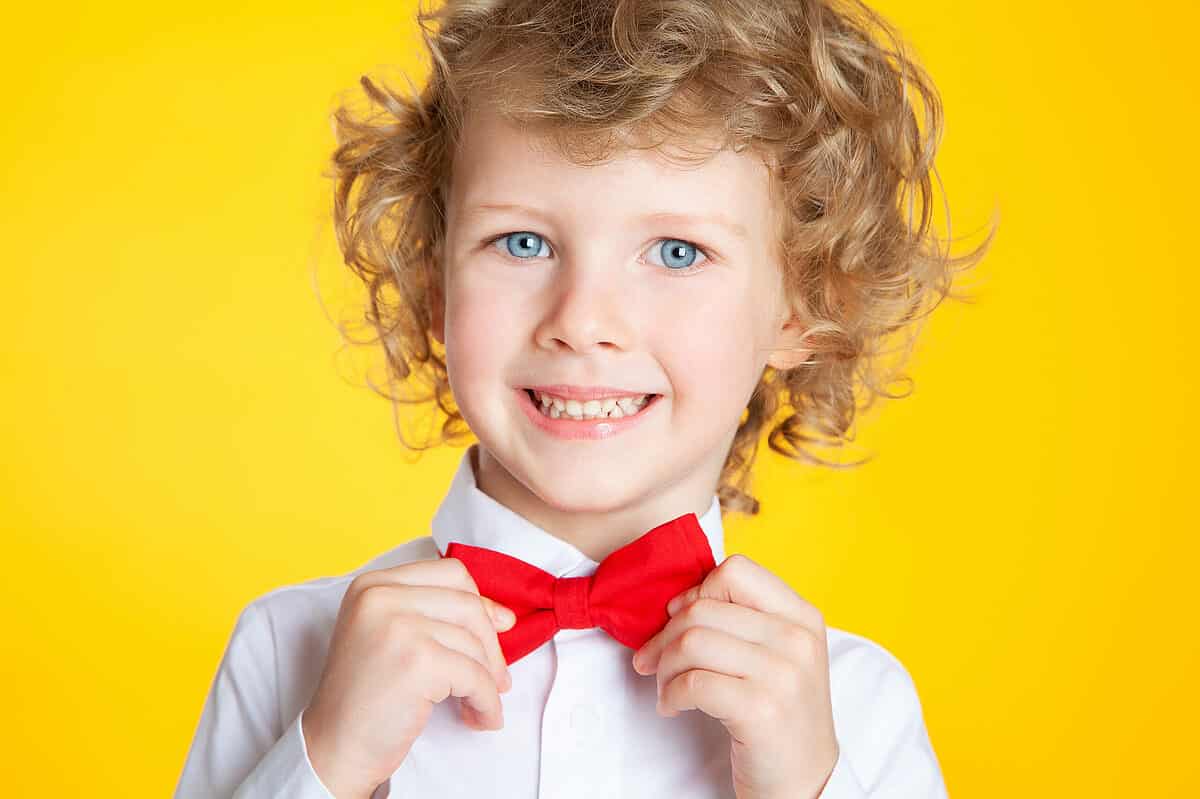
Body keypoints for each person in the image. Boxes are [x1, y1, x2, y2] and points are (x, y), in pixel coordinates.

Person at [174, 1, 992, 796]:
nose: (583, 323)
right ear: (434, 286)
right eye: (523, 243)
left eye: (677, 251)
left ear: (802, 307)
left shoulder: (853, 712)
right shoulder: (289, 654)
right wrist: (324, 767)